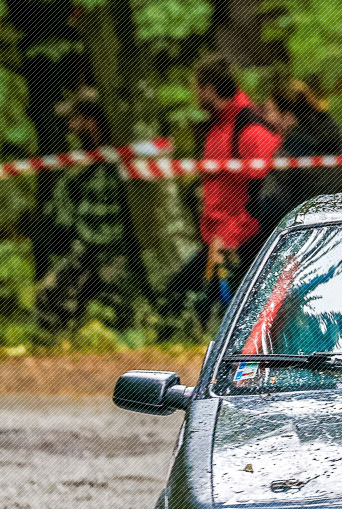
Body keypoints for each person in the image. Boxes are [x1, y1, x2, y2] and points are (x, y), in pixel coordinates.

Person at [165, 55, 280, 328]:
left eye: (196, 87)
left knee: (194, 308)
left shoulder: (250, 128)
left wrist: (232, 238)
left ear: (209, 89)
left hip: (242, 241)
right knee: (175, 299)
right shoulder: (216, 126)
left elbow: (267, 194)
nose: (194, 94)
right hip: (216, 239)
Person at [35, 88, 145, 333]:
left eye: (76, 119)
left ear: (90, 120)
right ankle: (58, 342)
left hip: (116, 252)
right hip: (85, 248)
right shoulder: (83, 163)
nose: (71, 127)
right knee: (48, 298)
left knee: (118, 315)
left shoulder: (120, 154)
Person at [248, 80, 342, 241]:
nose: (267, 118)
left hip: (306, 244)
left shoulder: (288, 156)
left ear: (288, 116)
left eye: (270, 111)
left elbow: (271, 210)